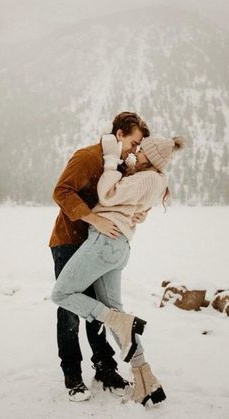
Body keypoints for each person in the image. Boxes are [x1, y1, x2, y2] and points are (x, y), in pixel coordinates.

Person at [51, 132, 186, 405]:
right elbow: (131, 202)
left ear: (152, 157)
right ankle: (145, 378)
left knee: (62, 294)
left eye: (142, 149)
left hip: (104, 242)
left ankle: (113, 329)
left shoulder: (145, 177)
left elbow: (108, 194)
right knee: (115, 313)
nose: (137, 152)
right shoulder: (152, 178)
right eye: (136, 145)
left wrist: (112, 160)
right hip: (117, 244)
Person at [49, 112, 150, 401]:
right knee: (70, 309)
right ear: (120, 135)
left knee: (97, 308)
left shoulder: (117, 165)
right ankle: (72, 375)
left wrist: (135, 214)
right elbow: (61, 191)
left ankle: (105, 367)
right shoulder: (88, 157)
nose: (136, 150)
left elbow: (118, 201)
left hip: (97, 246)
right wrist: (93, 218)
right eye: (134, 143)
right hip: (69, 241)